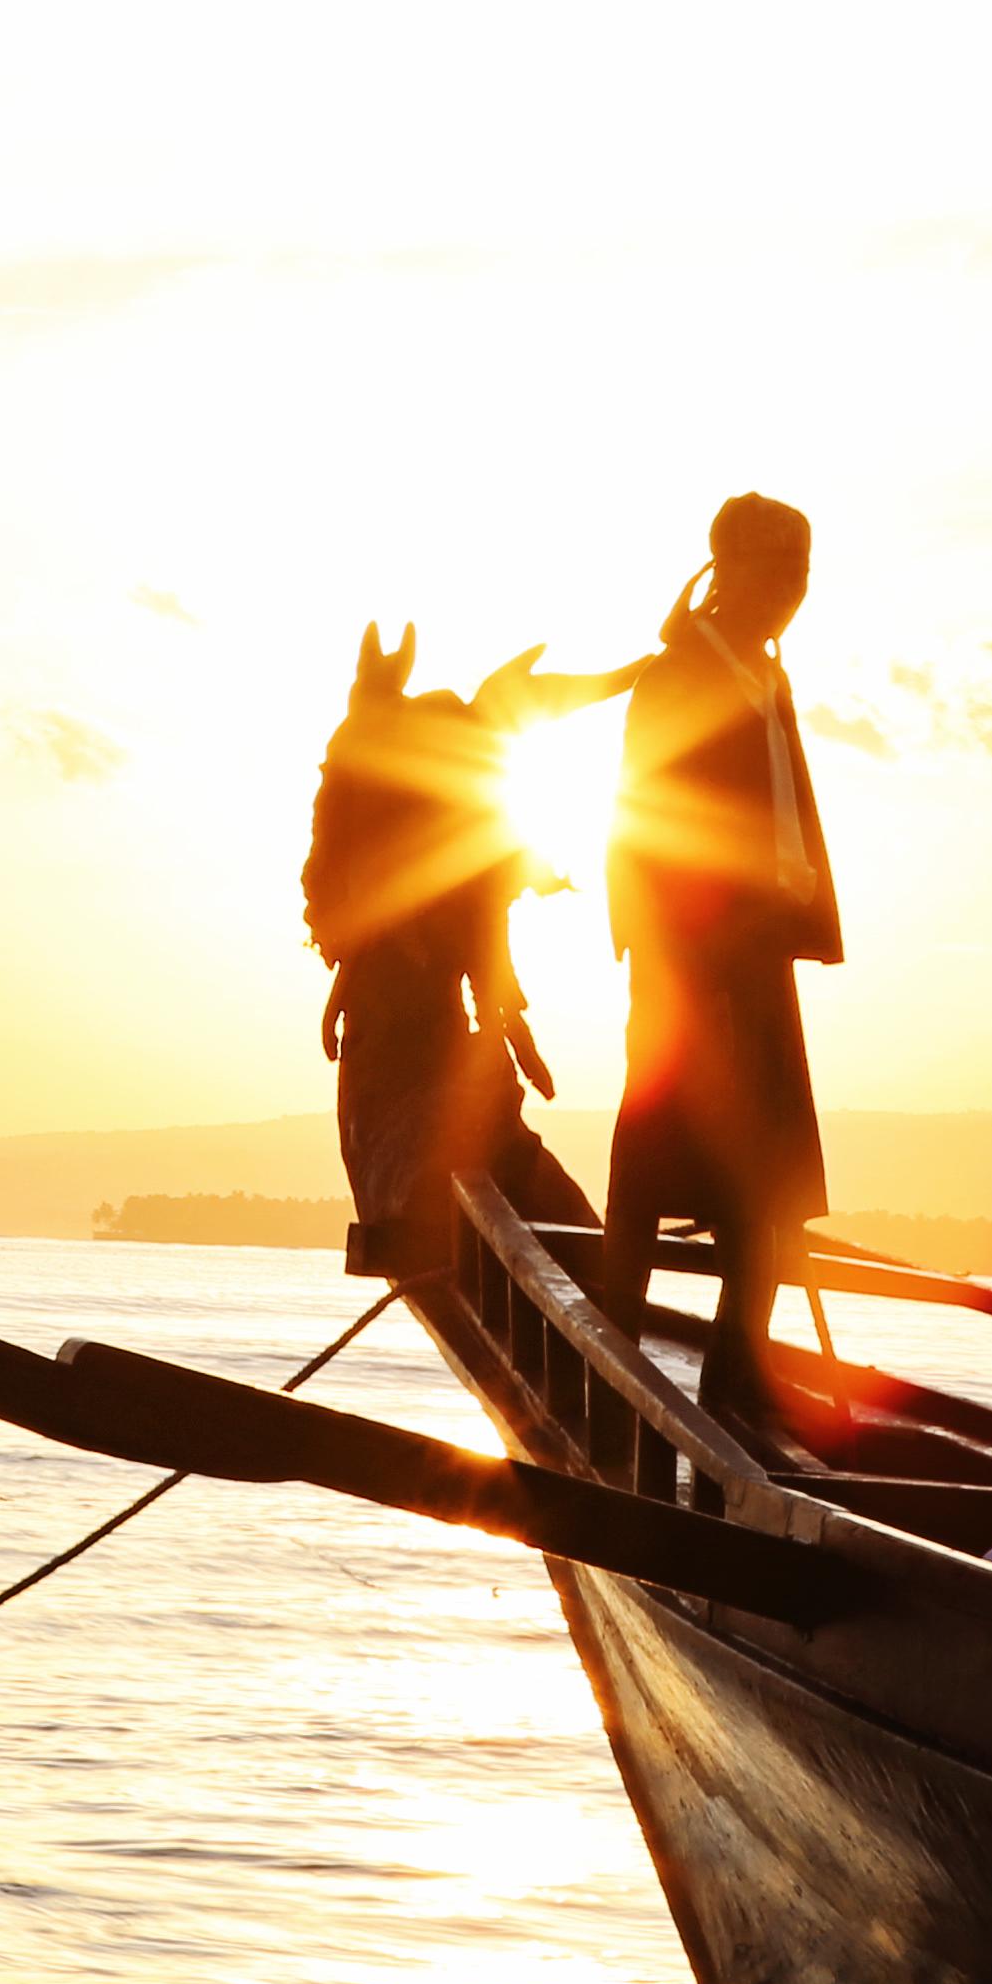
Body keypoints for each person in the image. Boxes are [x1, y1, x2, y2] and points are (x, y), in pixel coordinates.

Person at [595, 493, 841, 1426]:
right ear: (731, 569)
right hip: (685, 948)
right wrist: (672, 953)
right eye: (780, 574)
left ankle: (738, 1368)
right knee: (658, 1141)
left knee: (763, 1160)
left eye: (803, 577)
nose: (792, 594)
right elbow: (643, 817)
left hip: (762, 942)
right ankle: (614, 1340)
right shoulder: (680, 675)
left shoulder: (765, 676)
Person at [303, 628, 606, 1265]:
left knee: (564, 1221)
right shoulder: (372, 811)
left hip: (436, 1055)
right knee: (451, 1183)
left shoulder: (453, 854)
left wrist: (512, 1027)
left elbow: (480, 935)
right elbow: (359, 911)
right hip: (395, 1069)